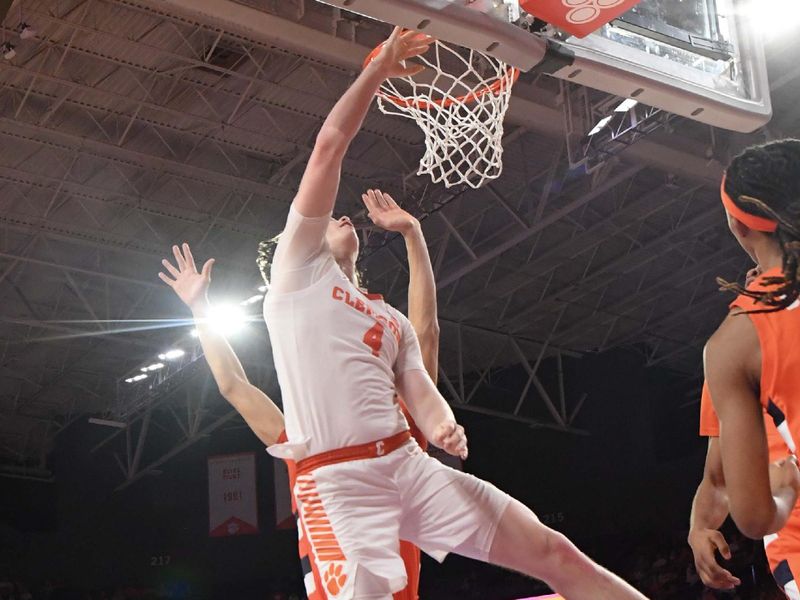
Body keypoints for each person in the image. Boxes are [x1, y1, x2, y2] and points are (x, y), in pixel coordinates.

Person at [261, 26, 647, 600]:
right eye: (333, 217)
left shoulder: (387, 319)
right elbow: (329, 146)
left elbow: (418, 386)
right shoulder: (296, 275)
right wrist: (377, 70)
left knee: (551, 550)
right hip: (341, 482)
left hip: (407, 462)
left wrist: (441, 422)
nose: (344, 218)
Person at [157, 186, 441, 599]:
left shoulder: (395, 427)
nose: (340, 217)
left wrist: (413, 234)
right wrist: (200, 309)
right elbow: (234, 386)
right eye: (325, 221)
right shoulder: (307, 442)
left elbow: (425, 337)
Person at [701, 139, 800, 595]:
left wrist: (786, 489)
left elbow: (756, 516)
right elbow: (716, 477)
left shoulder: (735, 344)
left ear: (739, 226)